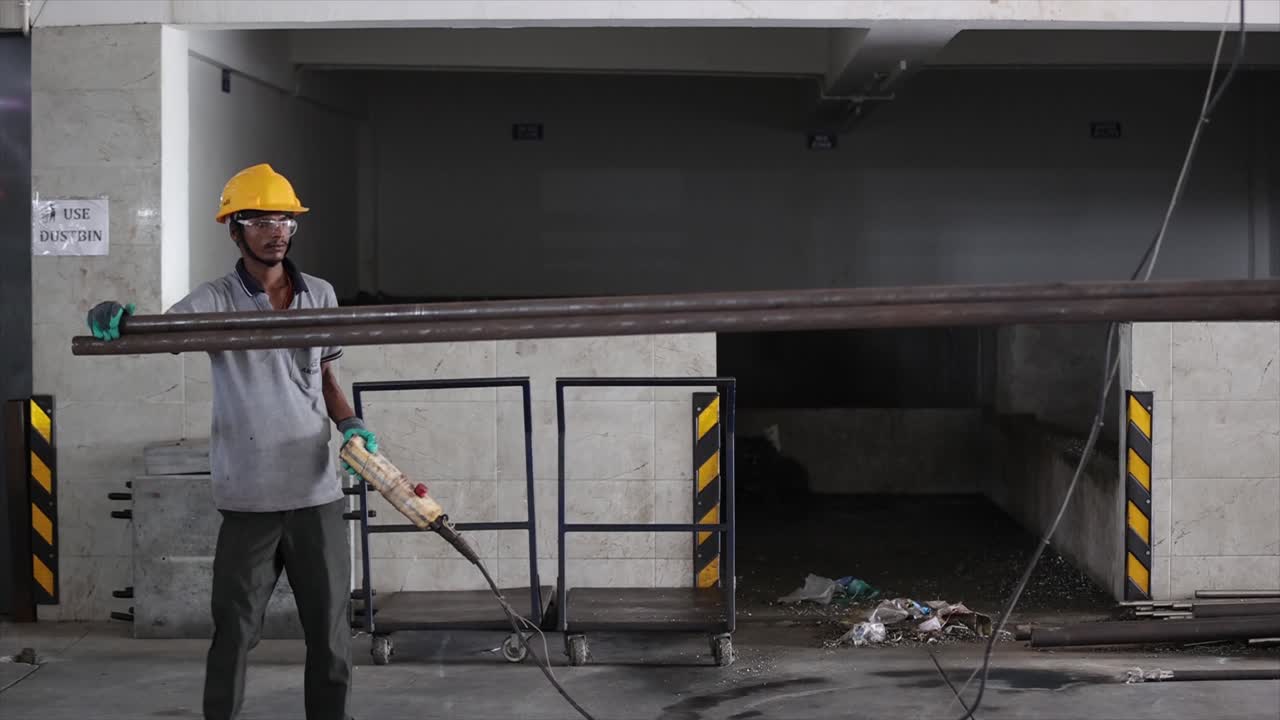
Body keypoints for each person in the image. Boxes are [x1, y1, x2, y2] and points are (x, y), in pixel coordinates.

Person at [86, 163, 376, 720]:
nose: (276, 231)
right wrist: (120, 318)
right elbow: (155, 336)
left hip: (316, 491)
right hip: (249, 498)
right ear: (234, 230)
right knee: (235, 633)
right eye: (259, 219)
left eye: (285, 219)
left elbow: (325, 376)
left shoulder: (319, 294)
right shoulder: (214, 300)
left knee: (331, 634)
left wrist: (351, 424)